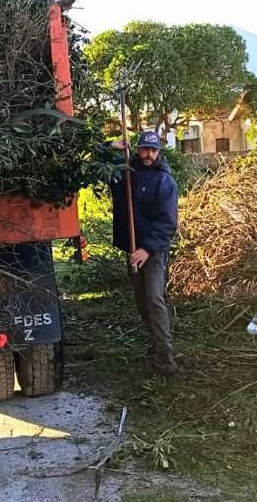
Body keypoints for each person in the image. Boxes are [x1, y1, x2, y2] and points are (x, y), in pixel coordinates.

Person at [102, 131, 179, 376]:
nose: (148, 154)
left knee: (154, 298)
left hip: (153, 250)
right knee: (142, 301)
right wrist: (109, 145)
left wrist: (147, 249)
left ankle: (165, 360)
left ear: (159, 152)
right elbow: (94, 163)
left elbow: (168, 223)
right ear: (137, 149)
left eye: (153, 150)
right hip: (132, 248)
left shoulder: (164, 181)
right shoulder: (123, 172)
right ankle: (156, 342)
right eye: (145, 149)